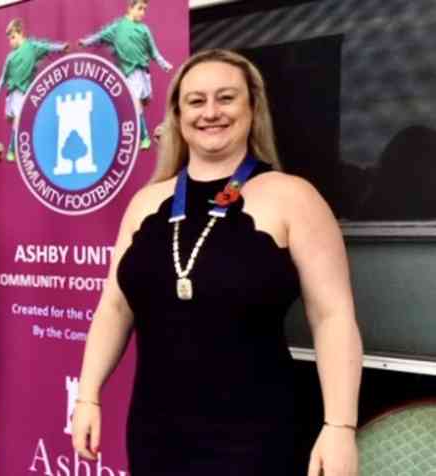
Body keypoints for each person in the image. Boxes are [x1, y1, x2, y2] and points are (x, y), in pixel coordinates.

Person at [71, 49, 362, 475]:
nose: (211, 112)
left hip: (256, 437)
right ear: (177, 113)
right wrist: (88, 395)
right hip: (157, 433)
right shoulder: (146, 203)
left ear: (252, 107)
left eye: (226, 98)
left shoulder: (292, 196)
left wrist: (339, 426)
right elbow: (114, 307)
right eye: (196, 100)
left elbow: (332, 316)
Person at [78, 0, 172, 150]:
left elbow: (153, 51)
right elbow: (100, 36)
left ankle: (142, 129)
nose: (142, 12)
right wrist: (86, 41)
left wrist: (163, 63)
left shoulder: (144, 29)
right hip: (130, 72)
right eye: (140, 8)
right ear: (130, 8)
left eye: (144, 9)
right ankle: (144, 137)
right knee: (136, 104)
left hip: (143, 73)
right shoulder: (118, 27)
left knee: (143, 101)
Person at [0, 18, 68, 162]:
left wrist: (61, 47)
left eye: (13, 37)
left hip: (22, 92)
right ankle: (17, 143)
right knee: (11, 119)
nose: (11, 41)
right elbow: (3, 77)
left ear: (20, 33)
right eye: (9, 38)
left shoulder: (32, 47)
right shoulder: (10, 57)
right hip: (11, 95)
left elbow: (47, 46)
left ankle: (12, 151)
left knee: (18, 121)